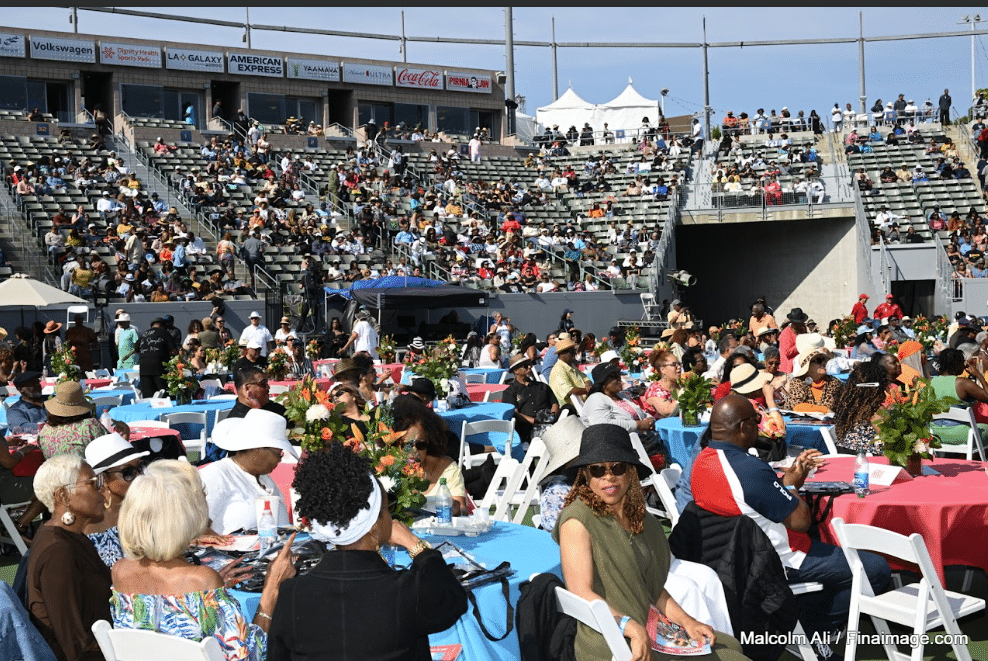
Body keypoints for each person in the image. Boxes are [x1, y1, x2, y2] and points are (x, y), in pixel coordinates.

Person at [692, 395, 890, 643]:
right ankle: (814, 627)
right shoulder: (748, 469)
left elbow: (757, 499)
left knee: (832, 549)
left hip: (732, 557)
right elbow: (801, 521)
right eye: (757, 420)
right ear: (744, 427)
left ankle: (802, 614)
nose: (761, 425)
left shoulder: (702, 461)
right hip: (779, 559)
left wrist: (785, 484)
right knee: (877, 569)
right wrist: (793, 487)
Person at [554, 424, 748, 661]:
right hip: (610, 638)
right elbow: (580, 591)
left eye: (618, 467)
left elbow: (653, 589)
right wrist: (631, 627)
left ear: (631, 472)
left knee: (730, 645)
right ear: (585, 474)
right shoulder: (577, 519)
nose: (608, 477)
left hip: (650, 625)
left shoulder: (640, 518)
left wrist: (687, 621)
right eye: (597, 470)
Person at [267, 441, 467, 660]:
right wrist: (415, 545)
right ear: (375, 524)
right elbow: (452, 599)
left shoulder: (293, 593)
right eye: (386, 511)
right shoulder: (406, 591)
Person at [112, 460, 297, 660]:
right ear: (186, 517)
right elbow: (248, 656)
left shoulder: (120, 571)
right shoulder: (202, 580)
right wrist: (273, 587)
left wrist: (210, 593)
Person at [28, 454, 112, 661]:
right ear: (63, 496)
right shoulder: (58, 550)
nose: (102, 490)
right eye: (93, 484)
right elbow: (74, 644)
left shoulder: (70, 536)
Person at [199, 409, 298, 534]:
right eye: (278, 453)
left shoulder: (265, 480)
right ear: (257, 449)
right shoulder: (218, 475)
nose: (280, 459)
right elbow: (194, 528)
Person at [81, 433, 150, 569]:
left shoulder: (146, 505)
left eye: (140, 467)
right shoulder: (89, 522)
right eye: (128, 472)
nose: (138, 476)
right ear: (104, 479)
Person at [391, 396, 469, 515]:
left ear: (429, 443)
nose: (414, 450)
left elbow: (463, 510)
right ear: (396, 444)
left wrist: (455, 508)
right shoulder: (386, 470)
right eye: (407, 445)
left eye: (420, 444)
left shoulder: (447, 468)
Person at [929, 348, 988, 446]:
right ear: (957, 364)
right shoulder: (962, 383)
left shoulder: (931, 382)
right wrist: (979, 375)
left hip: (936, 433)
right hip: (961, 434)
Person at [38, 381, 108, 459]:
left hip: (54, 470)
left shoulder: (46, 430)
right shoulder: (89, 426)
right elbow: (111, 450)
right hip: (84, 470)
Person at [581, 362, 656, 436]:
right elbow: (603, 426)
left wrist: (649, 420)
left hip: (641, 439)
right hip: (619, 444)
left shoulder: (620, 395)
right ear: (603, 383)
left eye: (618, 375)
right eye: (614, 376)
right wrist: (638, 425)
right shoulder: (595, 399)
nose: (619, 378)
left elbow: (641, 412)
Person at [502, 353, 559, 446]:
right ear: (516, 370)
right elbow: (515, 413)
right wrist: (535, 421)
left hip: (549, 423)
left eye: (530, 364)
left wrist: (551, 417)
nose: (529, 367)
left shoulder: (542, 386)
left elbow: (554, 403)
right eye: (525, 366)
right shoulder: (510, 392)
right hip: (527, 428)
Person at [832, 361, 888, 455]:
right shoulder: (875, 409)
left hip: (845, 453)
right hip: (867, 457)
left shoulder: (846, 405)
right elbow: (888, 438)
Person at [784, 335, 843, 413]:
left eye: (824, 360)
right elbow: (796, 406)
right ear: (808, 366)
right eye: (818, 360)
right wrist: (823, 410)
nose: (823, 363)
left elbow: (834, 406)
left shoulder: (833, 382)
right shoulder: (798, 381)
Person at [138, 317, 177, 399]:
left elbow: (136, 348)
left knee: (147, 395)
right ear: (163, 326)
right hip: (159, 365)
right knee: (163, 393)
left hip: (144, 366)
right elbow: (174, 350)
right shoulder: (164, 332)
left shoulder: (144, 334)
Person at [549, 338, 592, 408]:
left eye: (575, 350)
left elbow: (586, 378)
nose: (574, 353)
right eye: (572, 351)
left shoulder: (571, 366)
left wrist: (588, 384)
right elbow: (569, 391)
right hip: (573, 408)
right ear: (562, 354)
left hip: (584, 403)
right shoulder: (558, 370)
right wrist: (588, 390)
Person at [640, 349, 680, 419]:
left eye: (679, 364)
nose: (679, 367)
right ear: (662, 369)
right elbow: (668, 412)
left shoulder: (679, 385)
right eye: (674, 364)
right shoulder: (655, 390)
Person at [778, 308, 808, 372]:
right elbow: (787, 352)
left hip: (801, 364)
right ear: (793, 323)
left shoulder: (803, 329)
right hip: (789, 368)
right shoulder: (786, 333)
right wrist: (801, 344)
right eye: (799, 323)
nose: (802, 324)